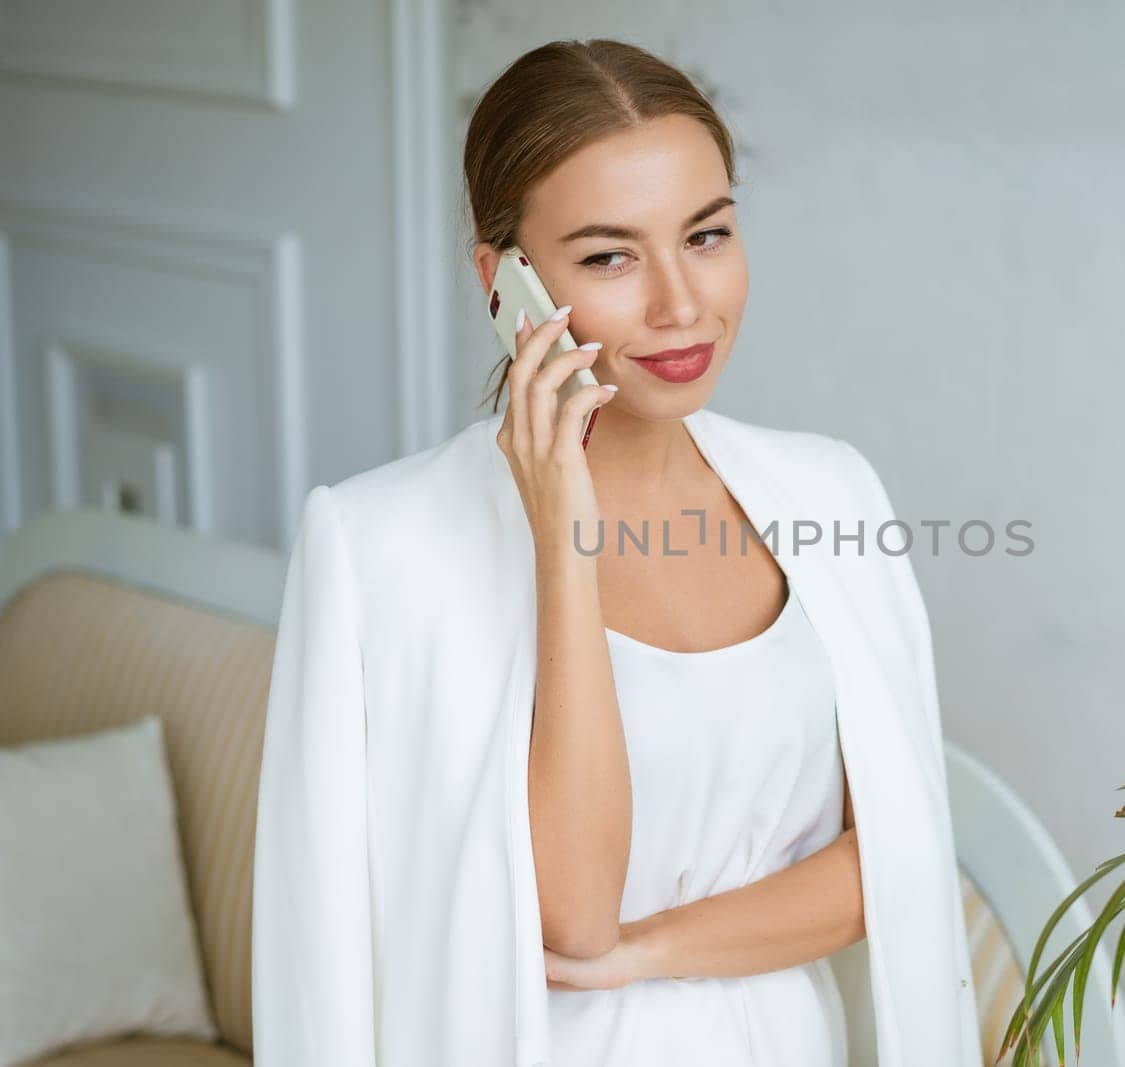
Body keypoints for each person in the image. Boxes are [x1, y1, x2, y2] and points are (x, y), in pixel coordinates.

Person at [252, 37, 980, 1067]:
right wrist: (563, 539)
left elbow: (899, 856)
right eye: (609, 256)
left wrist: (654, 949)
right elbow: (569, 916)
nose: (681, 304)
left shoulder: (831, 493)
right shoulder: (375, 547)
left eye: (707, 234)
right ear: (503, 281)